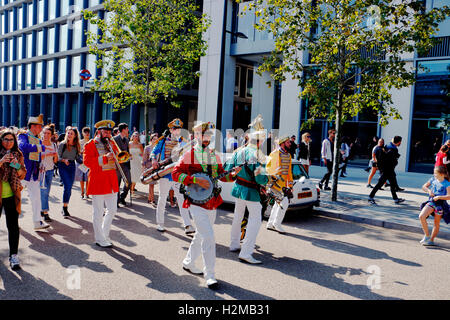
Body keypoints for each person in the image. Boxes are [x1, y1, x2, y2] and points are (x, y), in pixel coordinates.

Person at [172, 121, 240, 289]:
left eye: (209, 135)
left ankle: (188, 262)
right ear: (196, 136)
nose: (208, 137)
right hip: (195, 202)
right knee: (209, 236)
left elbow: (220, 176)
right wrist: (194, 180)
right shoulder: (188, 154)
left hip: (212, 201)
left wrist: (232, 175)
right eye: (204, 134)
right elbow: (175, 174)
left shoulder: (214, 155)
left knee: (201, 235)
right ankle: (209, 274)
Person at [226, 115, 268, 264]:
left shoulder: (238, 151)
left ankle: (234, 244)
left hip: (238, 188)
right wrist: (267, 179)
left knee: (238, 216)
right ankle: (246, 252)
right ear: (260, 140)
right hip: (250, 191)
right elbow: (260, 178)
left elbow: (228, 169)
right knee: (255, 220)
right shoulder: (258, 154)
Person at [150, 118, 195, 235]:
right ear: (170, 129)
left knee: (181, 199)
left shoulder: (184, 142)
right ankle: (160, 223)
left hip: (178, 174)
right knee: (162, 198)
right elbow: (153, 152)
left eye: (178, 129)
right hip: (165, 173)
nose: (177, 131)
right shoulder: (163, 140)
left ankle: (187, 225)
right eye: (174, 129)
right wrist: (154, 160)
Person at [83, 120, 120, 248]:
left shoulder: (112, 143)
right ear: (99, 131)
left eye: (109, 132)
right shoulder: (90, 144)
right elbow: (87, 162)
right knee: (98, 212)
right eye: (105, 131)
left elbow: (119, 157)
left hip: (111, 181)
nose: (108, 134)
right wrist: (104, 158)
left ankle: (104, 234)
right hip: (98, 181)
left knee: (112, 210)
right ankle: (99, 238)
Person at [18, 114, 50, 230]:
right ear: (33, 126)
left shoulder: (38, 139)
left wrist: (41, 164)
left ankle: (37, 221)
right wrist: (38, 147)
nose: (41, 129)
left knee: (36, 198)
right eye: (39, 126)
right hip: (22, 172)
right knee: (17, 197)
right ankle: (14, 221)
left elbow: (38, 155)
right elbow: (22, 147)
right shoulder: (23, 135)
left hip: (34, 173)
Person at [0, 130, 26, 270]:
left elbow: (22, 174)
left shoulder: (18, 154)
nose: (8, 142)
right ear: (1, 139)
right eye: (5, 139)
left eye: (11, 139)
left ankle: (14, 255)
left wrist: (16, 165)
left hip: (11, 195)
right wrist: (1, 161)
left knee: (13, 227)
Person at [266, 135, 294, 234]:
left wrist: (290, 186)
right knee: (284, 203)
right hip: (275, 185)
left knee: (278, 204)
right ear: (282, 144)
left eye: (290, 142)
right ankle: (276, 224)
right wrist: (273, 180)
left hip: (283, 185)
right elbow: (269, 169)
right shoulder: (274, 154)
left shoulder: (289, 155)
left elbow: (289, 172)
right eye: (288, 142)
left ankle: (270, 223)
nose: (290, 144)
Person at [368, 136, 405, 205]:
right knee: (380, 184)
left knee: (393, 184)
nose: (401, 143)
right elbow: (390, 160)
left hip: (389, 170)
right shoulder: (393, 149)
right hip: (387, 170)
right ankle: (370, 197)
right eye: (400, 142)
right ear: (399, 142)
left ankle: (396, 199)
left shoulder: (388, 145)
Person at [418, 166, 450, 246]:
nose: (434, 174)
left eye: (435, 173)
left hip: (440, 205)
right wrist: (428, 191)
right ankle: (427, 236)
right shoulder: (432, 179)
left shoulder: (447, 183)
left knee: (436, 223)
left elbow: (449, 196)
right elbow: (423, 187)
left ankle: (431, 240)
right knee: (422, 216)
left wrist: (439, 197)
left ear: (442, 174)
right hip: (431, 202)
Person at [58, 127, 81, 218]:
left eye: (71, 133)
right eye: (68, 133)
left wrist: (85, 162)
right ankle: (64, 208)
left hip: (72, 166)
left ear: (75, 136)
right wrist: (63, 160)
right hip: (63, 166)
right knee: (67, 186)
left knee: (69, 188)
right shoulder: (62, 144)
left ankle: (65, 205)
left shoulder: (76, 145)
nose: (69, 135)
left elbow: (77, 158)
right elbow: (57, 157)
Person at [40, 125, 58, 222]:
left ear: (51, 135)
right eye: (45, 133)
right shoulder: (39, 143)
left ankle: (41, 209)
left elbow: (55, 161)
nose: (46, 135)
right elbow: (37, 158)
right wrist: (48, 154)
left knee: (46, 192)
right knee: (44, 192)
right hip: (40, 171)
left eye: (48, 133)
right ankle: (45, 213)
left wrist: (55, 156)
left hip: (50, 170)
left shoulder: (53, 145)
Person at [113, 123, 132, 207]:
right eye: (127, 129)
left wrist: (129, 156)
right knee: (116, 184)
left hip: (125, 165)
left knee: (129, 182)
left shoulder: (127, 140)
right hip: (117, 165)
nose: (128, 130)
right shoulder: (114, 139)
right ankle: (115, 201)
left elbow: (127, 152)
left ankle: (122, 197)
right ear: (123, 129)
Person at [142, 133, 159, 206]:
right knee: (151, 184)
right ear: (151, 140)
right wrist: (143, 169)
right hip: (149, 167)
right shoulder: (147, 147)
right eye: (154, 139)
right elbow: (144, 159)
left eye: (156, 139)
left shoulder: (158, 147)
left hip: (157, 168)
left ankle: (149, 198)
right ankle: (152, 200)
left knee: (153, 184)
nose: (155, 140)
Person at [75, 127, 91, 200]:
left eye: (88, 132)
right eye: (85, 132)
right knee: (82, 178)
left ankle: (87, 192)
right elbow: (77, 151)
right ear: (82, 133)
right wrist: (83, 151)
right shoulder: (80, 142)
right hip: (81, 160)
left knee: (88, 178)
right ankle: (82, 192)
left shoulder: (91, 141)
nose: (87, 134)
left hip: (89, 160)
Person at [129, 131, 144, 196]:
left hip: (137, 161)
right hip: (131, 161)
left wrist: (143, 161)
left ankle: (132, 189)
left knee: (135, 176)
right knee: (131, 176)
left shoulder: (140, 145)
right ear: (132, 137)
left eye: (137, 136)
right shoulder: (129, 143)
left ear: (138, 138)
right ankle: (130, 189)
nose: (135, 137)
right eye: (134, 136)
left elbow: (142, 154)